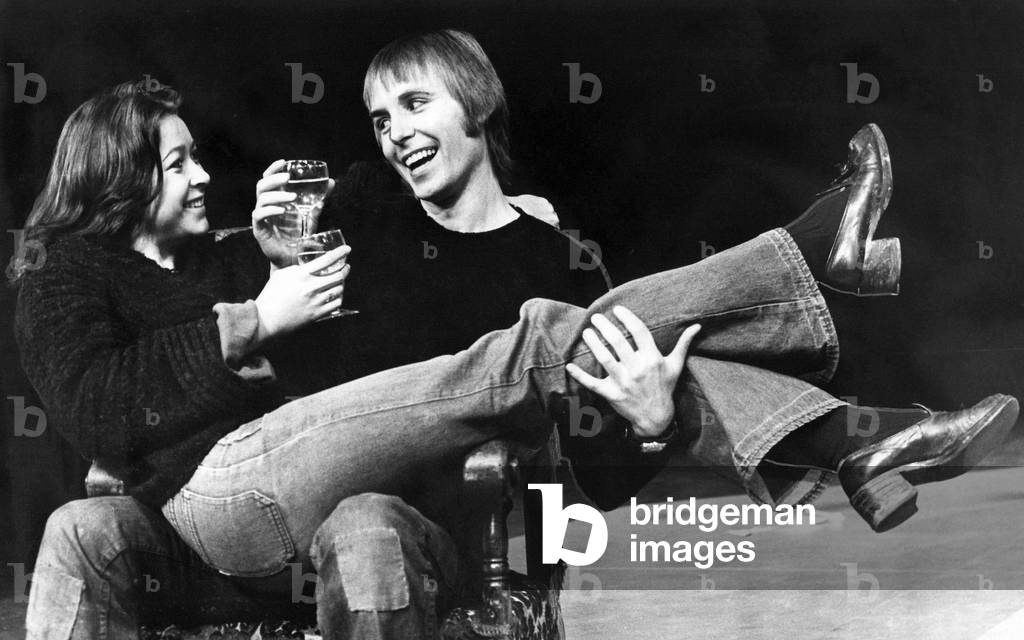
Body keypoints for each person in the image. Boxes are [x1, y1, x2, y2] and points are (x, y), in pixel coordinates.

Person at [15, 30, 1018, 640]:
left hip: (403, 506)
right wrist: (267, 295)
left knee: (552, 342)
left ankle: (849, 434)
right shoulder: (351, 220)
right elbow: (139, 397)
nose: (393, 133)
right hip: (240, 496)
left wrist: (648, 424)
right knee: (537, 340)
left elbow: (578, 483)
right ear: (122, 175)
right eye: (378, 118)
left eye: (415, 104)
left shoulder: (552, 251)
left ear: (476, 105)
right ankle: (819, 307)